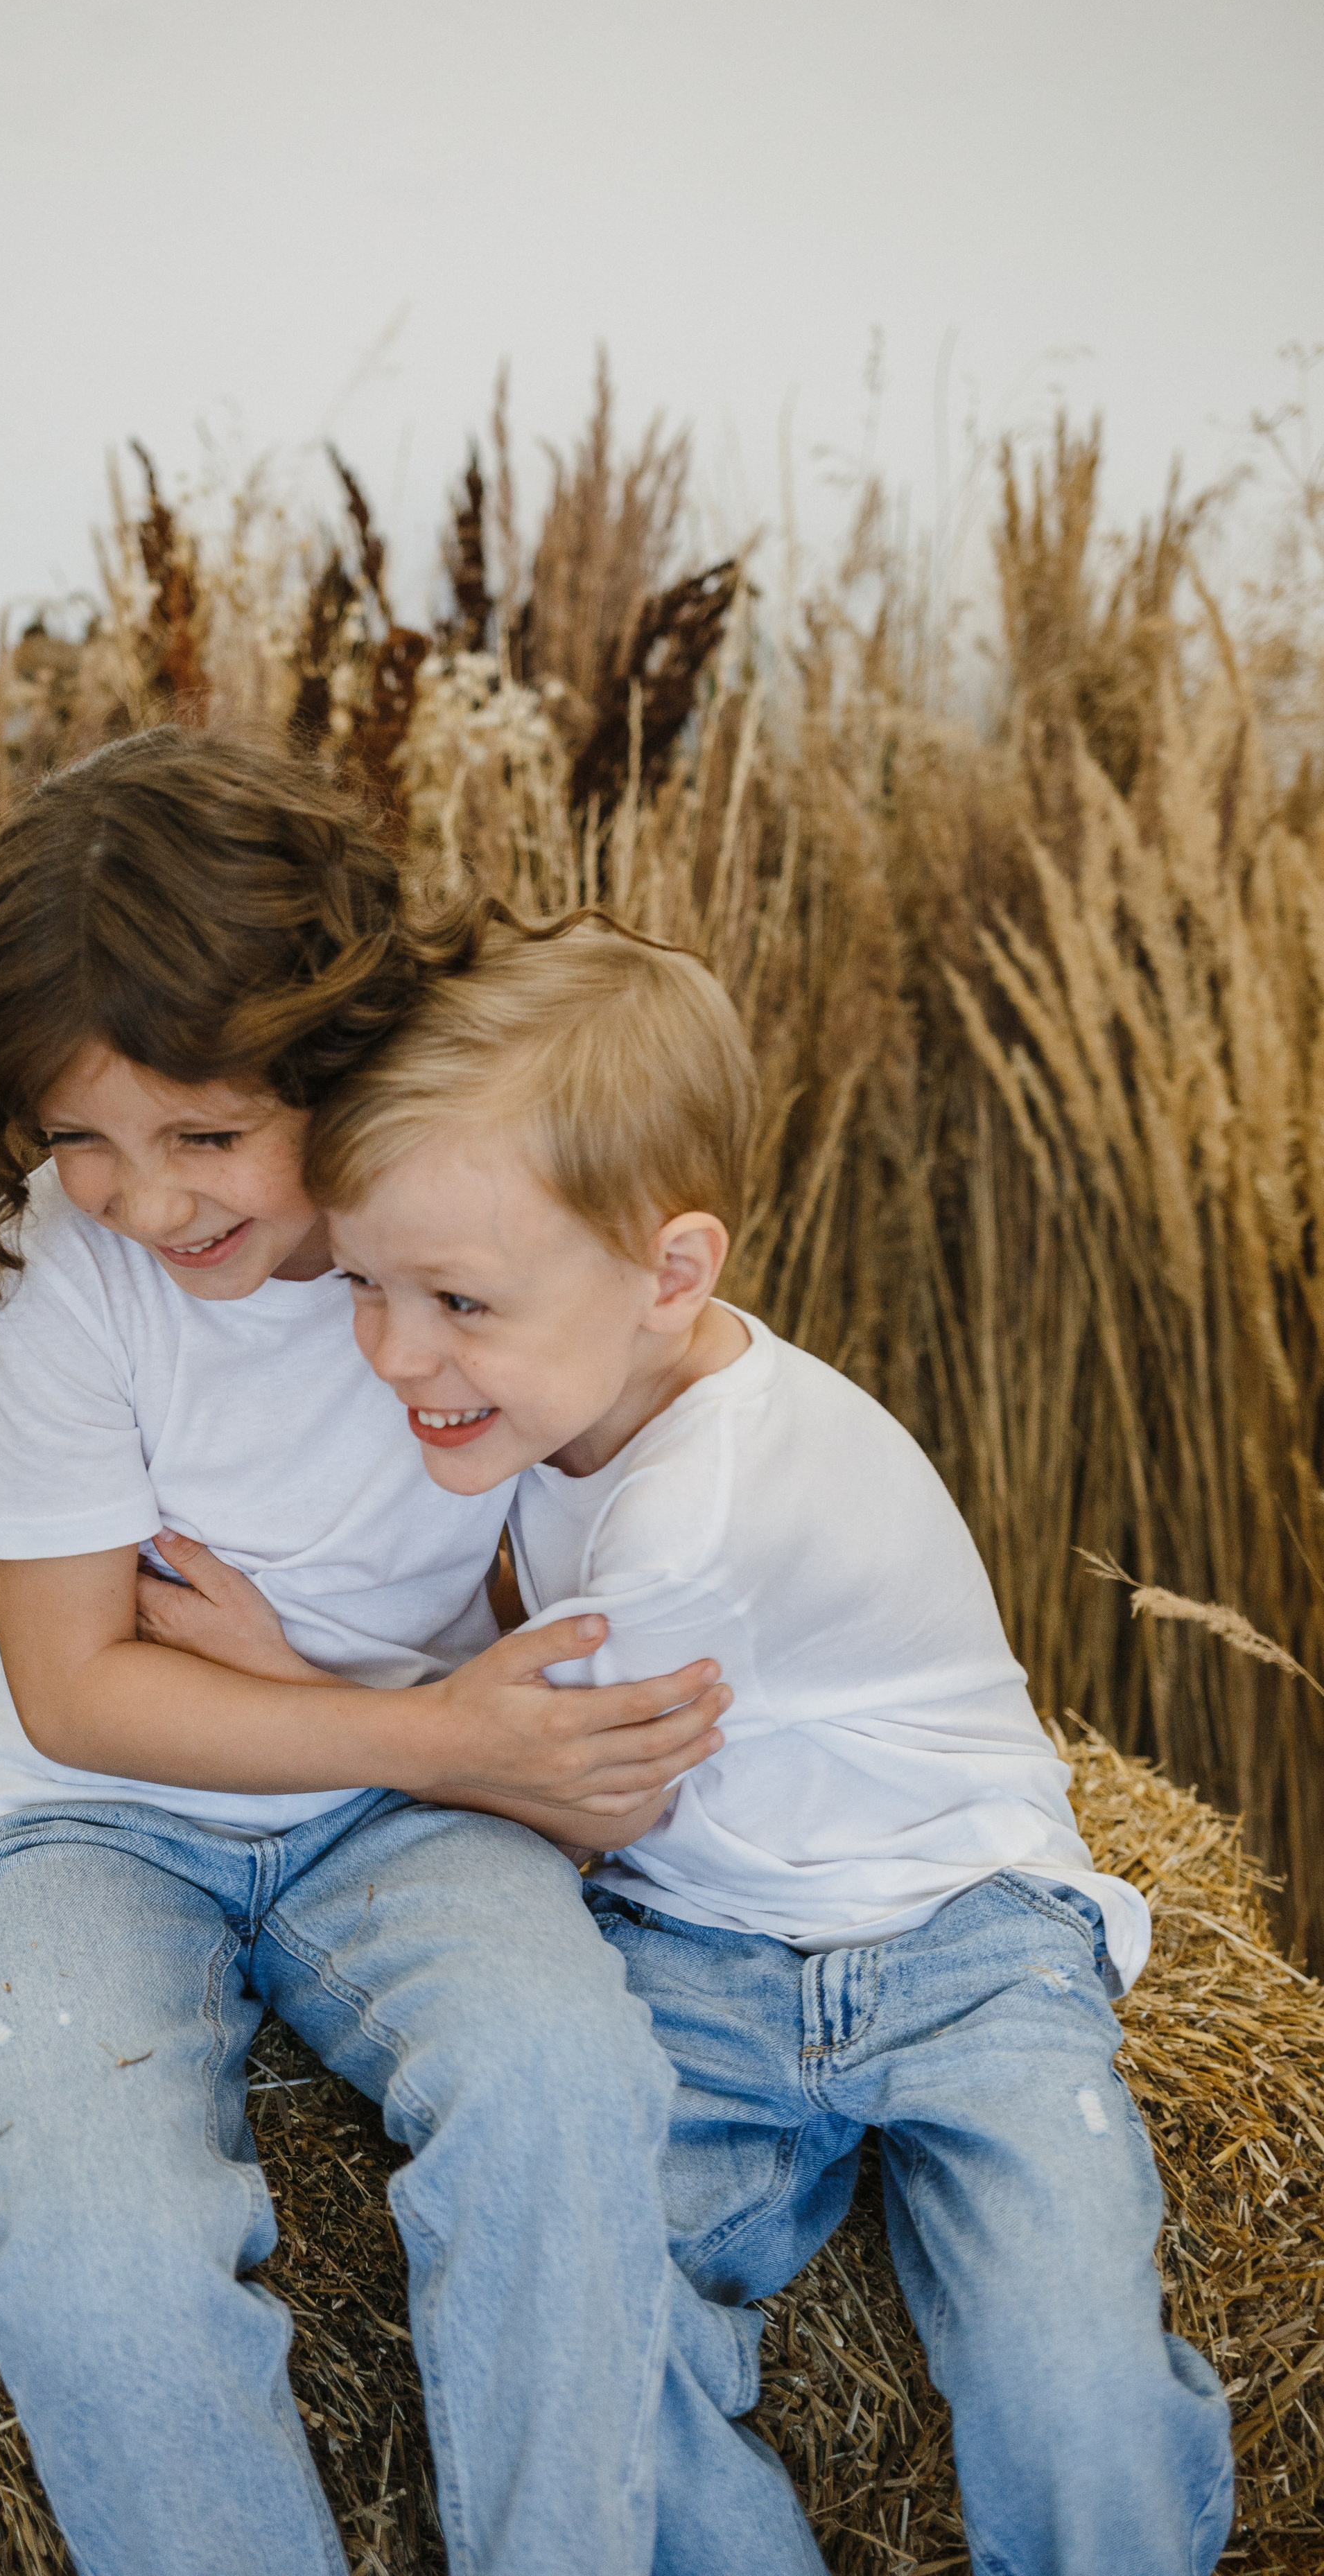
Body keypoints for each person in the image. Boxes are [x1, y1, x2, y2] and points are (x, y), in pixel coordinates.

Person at [0, 732, 817, 2576]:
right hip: (95, 1827)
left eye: (205, 1136)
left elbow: (622, 1506)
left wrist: (518, 1741)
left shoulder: (482, 1225)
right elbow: (85, 1691)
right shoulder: (57, 1277)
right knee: (97, 2275)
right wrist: (447, 1743)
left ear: (329, 1054)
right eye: (84, 1141)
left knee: (568, 2090)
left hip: (392, 1818)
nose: (150, 1204)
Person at [276, 909, 1235, 2576]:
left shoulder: (700, 1515)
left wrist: (275, 1688)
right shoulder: (561, 1387)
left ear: (671, 1273)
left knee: (1065, 2377)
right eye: (364, 1283)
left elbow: (540, 1783)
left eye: (453, 1300)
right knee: (577, 2322)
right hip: (706, 1953)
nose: (391, 1351)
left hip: (959, 1943)